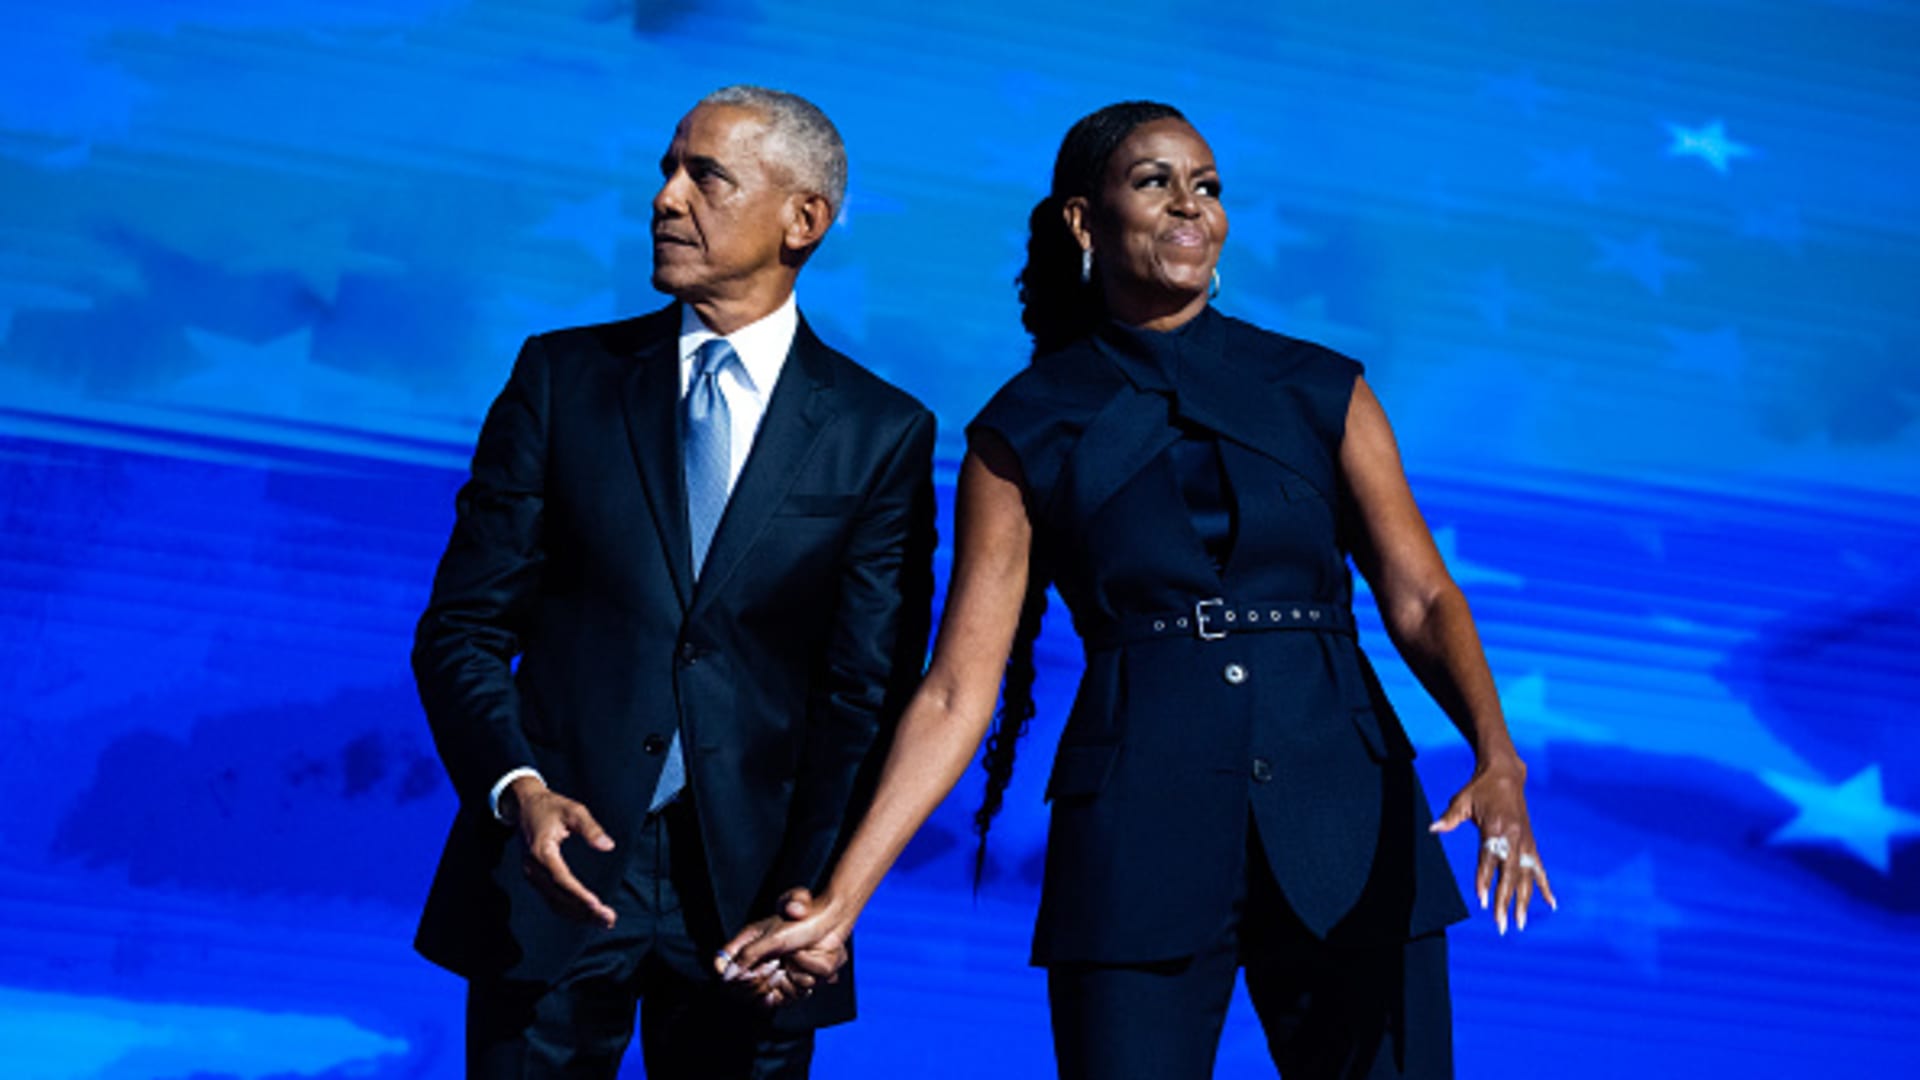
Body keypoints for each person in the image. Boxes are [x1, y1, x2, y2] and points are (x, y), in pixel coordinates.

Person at [724, 101, 1554, 1079]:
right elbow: (956, 690)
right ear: (1083, 220)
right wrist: (842, 898)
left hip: (1349, 815)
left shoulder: (1321, 387)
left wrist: (1498, 756)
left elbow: (1422, 597)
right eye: (1155, 181)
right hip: (1136, 841)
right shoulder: (1025, 427)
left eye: (1206, 186)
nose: (1189, 205)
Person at [411, 85, 936, 1079]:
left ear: (804, 220)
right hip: (553, 879)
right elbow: (463, 629)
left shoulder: (881, 433)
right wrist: (518, 789)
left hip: (756, 909)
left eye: (707, 176)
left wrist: (817, 897)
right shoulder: (562, 380)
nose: (665, 197)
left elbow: (865, 693)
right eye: (666, 168)